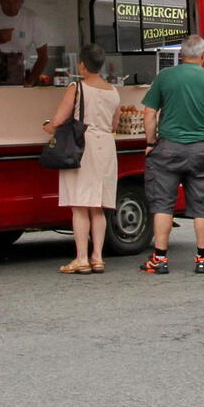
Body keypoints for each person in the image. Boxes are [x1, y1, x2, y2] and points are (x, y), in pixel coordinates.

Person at [140, 35, 204, 275]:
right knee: (202, 205)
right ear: (203, 55)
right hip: (201, 148)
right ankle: (202, 258)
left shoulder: (165, 77)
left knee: (163, 203)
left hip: (168, 147)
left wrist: (151, 142)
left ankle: (160, 258)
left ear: (182, 54)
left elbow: (149, 114)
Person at [45, 44, 119, 274]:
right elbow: (115, 125)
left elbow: (58, 120)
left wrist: (46, 126)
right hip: (106, 147)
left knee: (79, 206)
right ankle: (98, 257)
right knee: (98, 206)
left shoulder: (76, 88)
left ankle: (81, 258)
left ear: (82, 65)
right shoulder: (114, 91)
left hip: (82, 146)